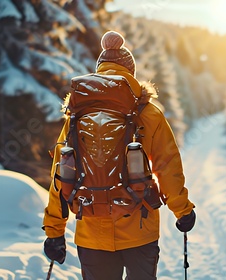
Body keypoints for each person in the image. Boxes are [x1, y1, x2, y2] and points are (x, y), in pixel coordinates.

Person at [42, 30, 196, 280]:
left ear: (99, 71)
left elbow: (60, 174)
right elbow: (167, 167)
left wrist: (54, 231)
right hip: (139, 227)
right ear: (130, 72)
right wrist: (183, 210)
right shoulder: (148, 112)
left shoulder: (76, 115)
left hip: (91, 231)